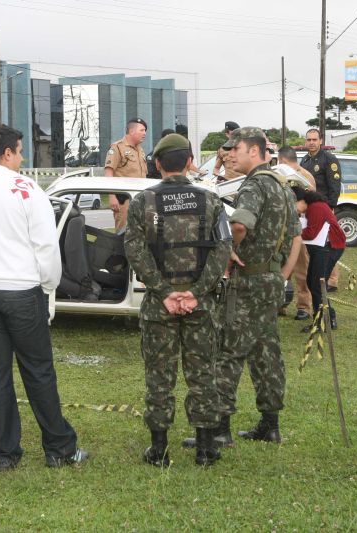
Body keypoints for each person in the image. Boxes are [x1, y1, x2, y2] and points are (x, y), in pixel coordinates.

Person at [0, 125, 88, 471]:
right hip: (22, 289)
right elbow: (46, 245)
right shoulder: (26, 188)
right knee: (38, 370)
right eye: (20, 151)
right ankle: (59, 449)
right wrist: (48, 285)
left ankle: (5, 454)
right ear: (7, 152)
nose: (22, 159)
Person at [125, 133, 232, 467]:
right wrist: (197, 292)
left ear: (157, 164)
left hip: (160, 305)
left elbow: (134, 250)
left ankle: (159, 450)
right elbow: (224, 249)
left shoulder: (143, 202)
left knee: (159, 376)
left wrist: (164, 291)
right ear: (189, 162)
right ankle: (206, 449)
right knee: (203, 374)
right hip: (201, 306)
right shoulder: (211, 201)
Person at [213, 127, 301, 444]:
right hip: (271, 281)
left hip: (247, 280)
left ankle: (218, 429)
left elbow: (239, 224)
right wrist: (282, 275)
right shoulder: (282, 185)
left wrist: (227, 253)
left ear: (254, 150)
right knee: (267, 352)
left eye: (234, 149)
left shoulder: (254, 186)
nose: (229, 154)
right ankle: (270, 424)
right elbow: (296, 237)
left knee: (228, 351)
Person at [293, 188, 346, 332]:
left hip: (329, 247)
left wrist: (291, 233)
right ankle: (328, 318)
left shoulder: (316, 208)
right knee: (313, 282)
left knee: (317, 284)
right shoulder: (311, 208)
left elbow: (311, 233)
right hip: (323, 248)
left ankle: (322, 322)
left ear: (301, 200)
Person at [301, 128, 342, 291]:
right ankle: (319, 275)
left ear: (320, 141)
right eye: (309, 140)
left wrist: (329, 208)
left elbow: (334, 186)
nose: (311, 142)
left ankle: (332, 279)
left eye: (314, 140)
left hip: (325, 209)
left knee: (327, 244)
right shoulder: (305, 161)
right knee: (314, 244)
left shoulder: (329, 159)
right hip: (310, 209)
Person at [278, 146, 316, 321]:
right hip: (280, 228)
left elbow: (309, 202)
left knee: (302, 268)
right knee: (280, 266)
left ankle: (304, 306)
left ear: (283, 160)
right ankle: (279, 303)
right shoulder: (278, 174)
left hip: (299, 227)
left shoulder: (305, 176)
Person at [105, 118, 148, 232]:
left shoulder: (140, 150)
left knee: (140, 233)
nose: (145, 133)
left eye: (145, 131)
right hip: (124, 200)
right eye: (142, 130)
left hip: (140, 199)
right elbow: (109, 172)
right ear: (131, 131)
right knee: (124, 233)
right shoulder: (117, 147)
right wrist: (112, 196)